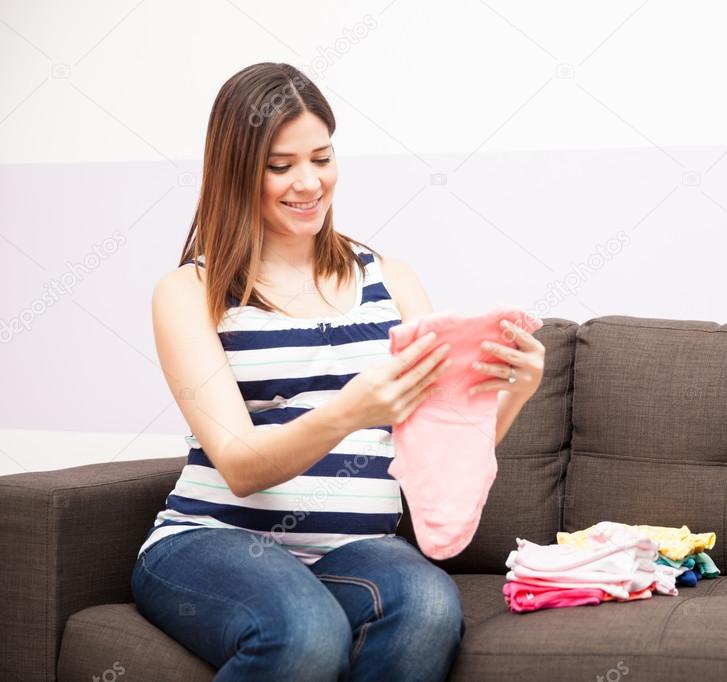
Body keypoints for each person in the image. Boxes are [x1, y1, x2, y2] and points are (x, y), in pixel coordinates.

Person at [131, 62, 546, 682]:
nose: (308, 183)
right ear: (235, 169)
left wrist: (515, 390)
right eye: (280, 165)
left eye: (322, 158)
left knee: (429, 607)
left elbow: (443, 458)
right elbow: (240, 465)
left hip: (352, 553)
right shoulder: (190, 290)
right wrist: (353, 408)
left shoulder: (392, 280)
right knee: (304, 632)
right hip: (211, 541)